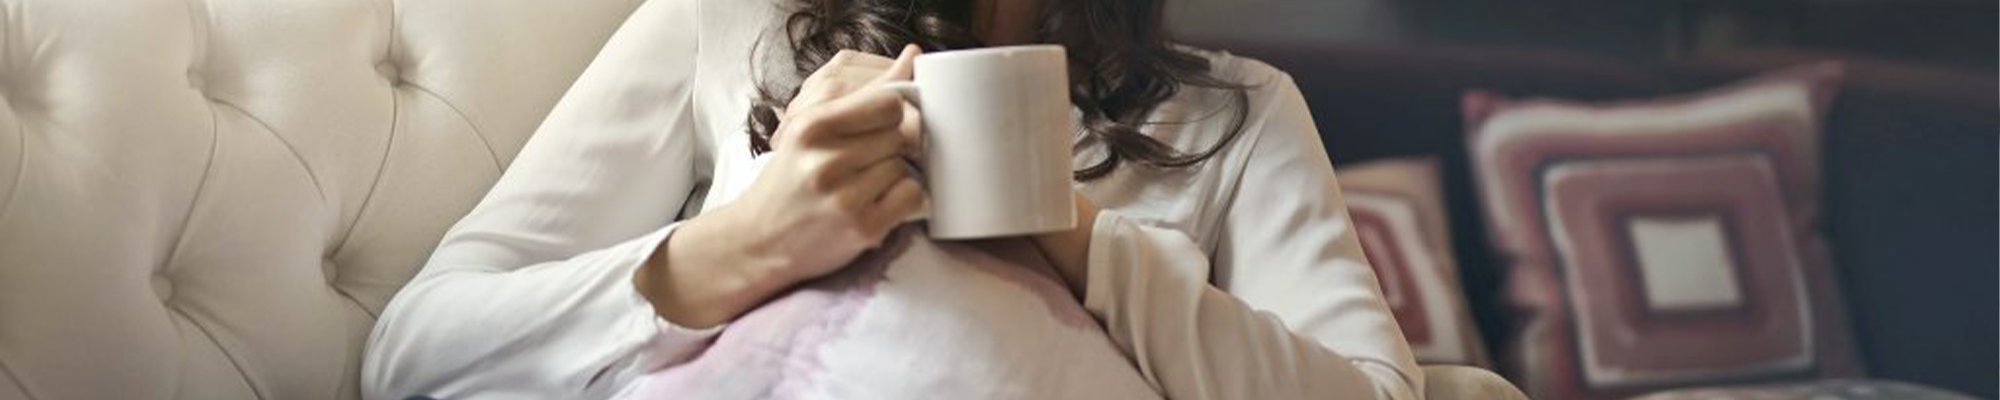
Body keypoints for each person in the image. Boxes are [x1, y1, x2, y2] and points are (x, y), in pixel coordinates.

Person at [362, 0, 1421, 399]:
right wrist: (742, 245)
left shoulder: (1233, 112)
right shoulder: (727, 29)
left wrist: (1075, 237)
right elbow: (415, 348)